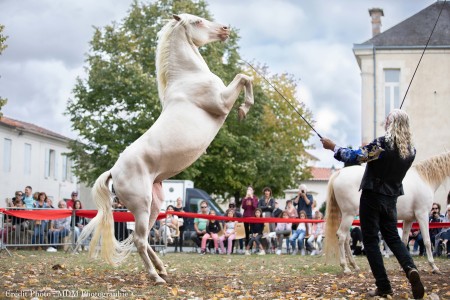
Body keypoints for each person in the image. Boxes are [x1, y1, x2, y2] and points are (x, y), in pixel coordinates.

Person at [321, 109, 424, 299]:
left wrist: (333, 147)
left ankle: (384, 286)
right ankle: (410, 269)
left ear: (392, 123)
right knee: (393, 238)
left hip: (371, 197)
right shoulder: (411, 151)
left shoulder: (382, 145)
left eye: (388, 119)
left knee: (370, 241)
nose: (384, 122)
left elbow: (354, 157)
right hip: (391, 199)